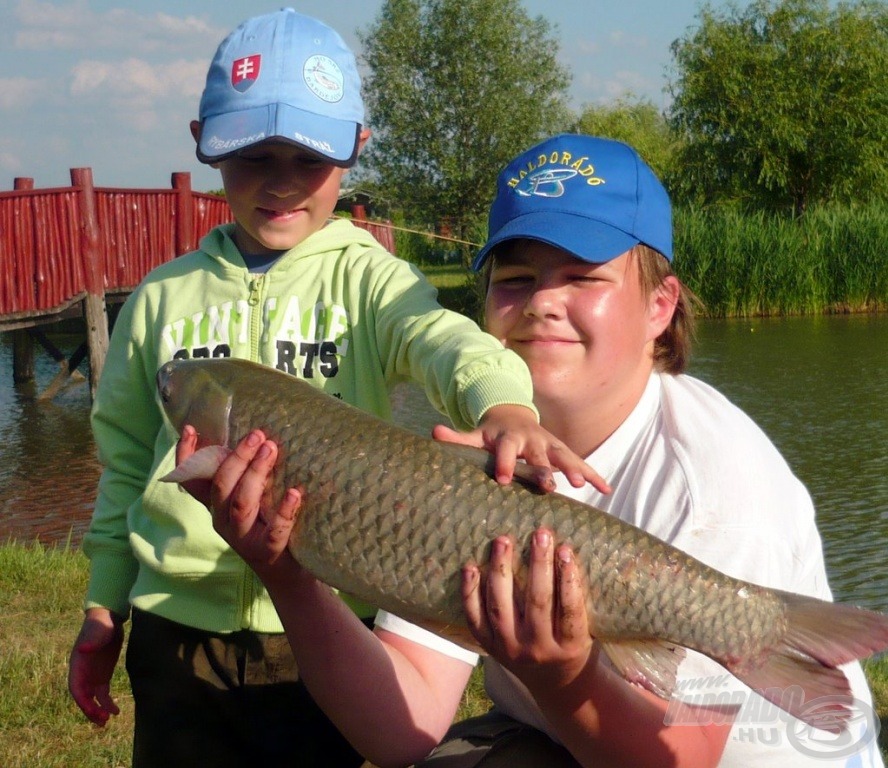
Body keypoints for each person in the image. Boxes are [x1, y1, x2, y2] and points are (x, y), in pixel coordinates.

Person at [184, 133, 884, 768]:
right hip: (567, 741)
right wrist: (287, 574)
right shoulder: (476, 458)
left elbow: (684, 760)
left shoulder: (715, 485)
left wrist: (565, 674)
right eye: (516, 279)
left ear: (660, 307)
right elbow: (402, 729)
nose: (544, 301)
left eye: (582, 277)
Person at [66, 10, 604, 765]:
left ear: (355, 148)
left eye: (307, 156)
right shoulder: (160, 298)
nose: (281, 181)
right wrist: (103, 607)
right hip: (176, 632)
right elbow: (125, 464)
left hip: (320, 627)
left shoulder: (369, 278)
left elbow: (442, 340)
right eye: (254, 156)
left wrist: (503, 405)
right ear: (204, 143)